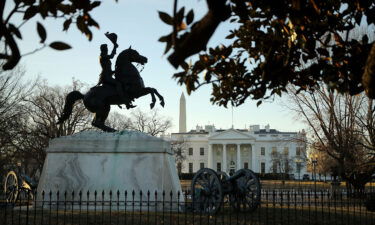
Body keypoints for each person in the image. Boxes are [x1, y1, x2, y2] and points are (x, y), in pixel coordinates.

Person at [97, 32, 135, 109]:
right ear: (103, 50)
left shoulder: (105, 56)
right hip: (106, 77)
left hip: (109, 75)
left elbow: (109, 67)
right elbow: (111, 56)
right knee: (118, 84)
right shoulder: (102, 56)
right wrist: (114, 47)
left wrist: (115, 71)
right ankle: (124, 100)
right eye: (106, 49)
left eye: (107, 49)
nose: (107, 50)